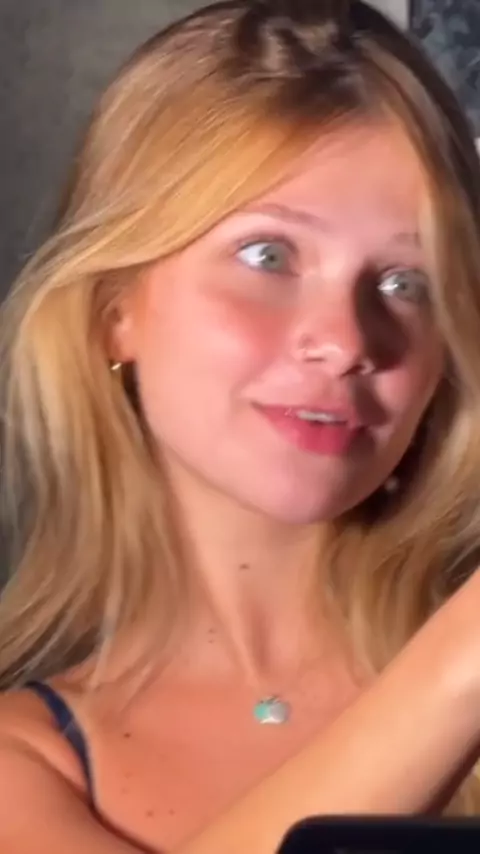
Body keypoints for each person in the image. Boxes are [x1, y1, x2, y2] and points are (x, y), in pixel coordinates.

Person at [0, 0, 480, 851]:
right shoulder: (25, 766)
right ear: (115, 312)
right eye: (269, 256)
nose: (346, 342)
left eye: (406, 283)